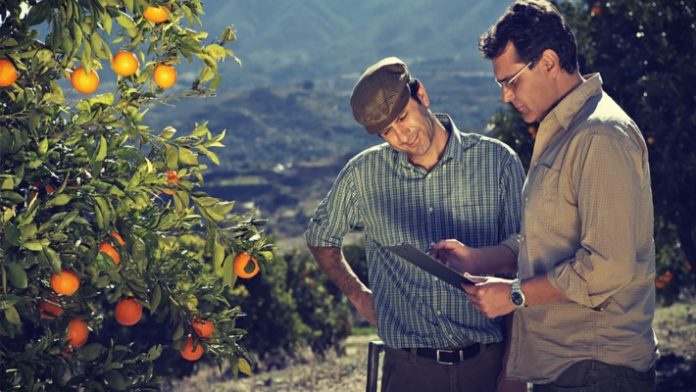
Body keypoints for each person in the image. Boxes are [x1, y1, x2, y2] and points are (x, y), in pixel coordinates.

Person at [431, 1, 657, 391]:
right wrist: (476, 258)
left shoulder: (601, 135)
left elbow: (607, 266)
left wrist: (514, 295)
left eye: (511, 80)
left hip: (596, 369)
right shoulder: (562, 133)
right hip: (568, 367)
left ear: (549, 62)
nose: (505, 97)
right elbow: (550, 240)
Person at [305, 56, 526, 392]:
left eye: (403, 117)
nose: (400, 136)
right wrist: (358, 294)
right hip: (409, 373)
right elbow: (321, 236)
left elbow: (525, 264)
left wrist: (513, 371)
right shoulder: (363, 175)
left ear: (422, 94)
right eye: (386, 131)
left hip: (488, 366)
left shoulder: (498, 163)